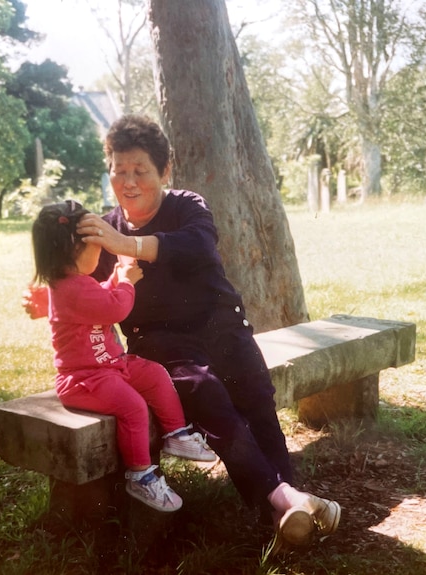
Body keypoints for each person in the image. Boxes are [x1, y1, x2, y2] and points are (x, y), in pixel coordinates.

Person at [75, 114, 341, 547]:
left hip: (220, 325)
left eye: (140, 170)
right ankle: (286, 500)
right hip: (161, 345)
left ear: (165, 171)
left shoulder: (187, 206)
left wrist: (127, 245)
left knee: (255, 398)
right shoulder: (106, 231)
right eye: (118, 170)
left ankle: (282, 509)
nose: (128, 181)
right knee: (209, 394)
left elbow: (196, 245)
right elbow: (82, 291)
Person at [26, 199, 217, 513]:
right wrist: (126, 281)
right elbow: (114, 307)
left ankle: (176, 433)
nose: (102, 250)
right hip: (84, 380)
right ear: (74, 252)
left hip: (110, 367)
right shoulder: (70, 289)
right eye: (97, 245)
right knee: (133, 407)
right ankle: (140, 475)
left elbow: (99, 296)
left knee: (154, 374)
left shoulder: (76, 283)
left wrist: (115, 280)